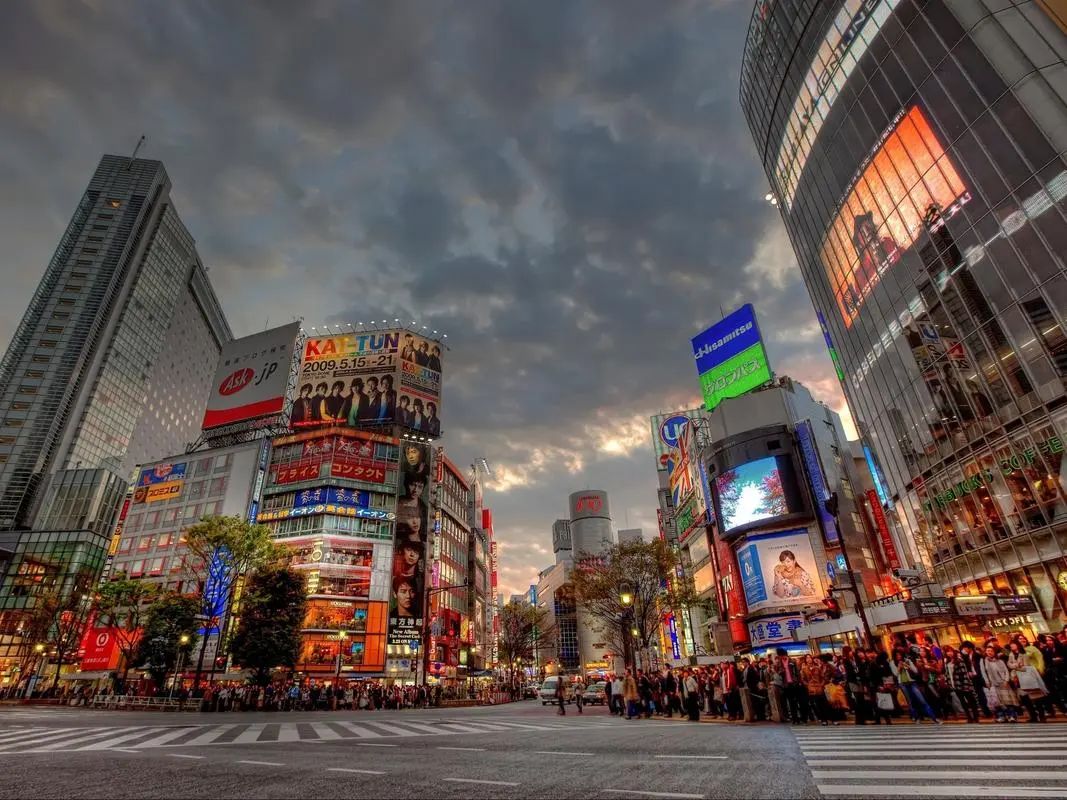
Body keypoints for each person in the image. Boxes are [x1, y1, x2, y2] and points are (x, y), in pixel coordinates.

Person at [892, 648, 941, 724]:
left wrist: (908, 666)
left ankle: (934, 718)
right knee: (910, 702)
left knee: (922, 700)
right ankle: (916, 718)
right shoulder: (892, 663)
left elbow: (916, 671)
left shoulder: (908, 660)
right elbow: (895, 674)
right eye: (897, 655)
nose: (899, 656)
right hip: (903, 684)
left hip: (912, 682)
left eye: (900, 655)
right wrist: (899, 667)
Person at [1007, 639, 1048, 722]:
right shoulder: (1011, 654)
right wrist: (1016, 666)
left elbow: (1025, 666)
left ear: (1017, 645)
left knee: (1036, 697)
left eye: (1013, 644)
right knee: (1025, 699)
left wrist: (1015, 666)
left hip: (1027, 677)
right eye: (1011, 645)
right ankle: (1033, 716)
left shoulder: (1024, 653)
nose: (1012, 646)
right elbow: (1009, 664)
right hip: (1018, 678)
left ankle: (1042, 715)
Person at [981, 644, 1018, 722]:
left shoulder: (1000, 661)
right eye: (988, 651)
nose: (989, 652)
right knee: (997, 701)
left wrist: (1006, 680)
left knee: (1008, 700)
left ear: (994, 652)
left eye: (991, 651)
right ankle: (1001, 716)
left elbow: (1006, 671)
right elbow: (984, 672)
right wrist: (987, 682)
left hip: (1003, 683)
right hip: (993, 684)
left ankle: (1011, 716)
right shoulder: (984, 661)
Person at [945, 646, 980, 723]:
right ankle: (969, 717)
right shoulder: (947, 662)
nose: (949, 653)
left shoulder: (959, 660)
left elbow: (964, 673)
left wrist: (965, 684)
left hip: (963, 684)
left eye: (950, 651)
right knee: (963, 702)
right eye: (947, 652)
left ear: (953, 652)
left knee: (971, 701)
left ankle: (975, 716)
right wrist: (949, 683)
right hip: (955, 685)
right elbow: (947, 674)